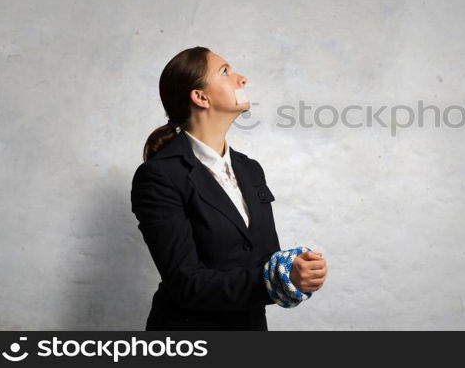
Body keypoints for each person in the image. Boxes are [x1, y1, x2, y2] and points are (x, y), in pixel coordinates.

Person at [130, 46, 327, 330]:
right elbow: (186, 283)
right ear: (200, 97)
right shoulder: (159, 176)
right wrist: (279, 279)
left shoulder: (250, 169)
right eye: (225, 71)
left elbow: (261, 258)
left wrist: (295, 267)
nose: (242, 79)